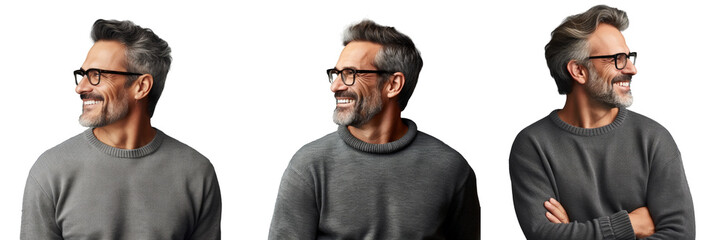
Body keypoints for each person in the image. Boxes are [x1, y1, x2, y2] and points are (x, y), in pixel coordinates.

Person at [269, 20, 480, 239]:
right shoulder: (308, 167)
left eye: (350, 73)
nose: (336, 86)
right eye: (336, 73)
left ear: (393, 85)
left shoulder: (451, 169)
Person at [20, 19, 221, 239]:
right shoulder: (50, 172)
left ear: (141, 86)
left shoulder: (196, 174)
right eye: (83, 74)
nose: (80, 87)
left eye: (96, 75)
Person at [509, 5, 695, 240]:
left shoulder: (654, 139)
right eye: (617, 59)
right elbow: (544, 235)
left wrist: (575, 231)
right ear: (578, 70)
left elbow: (680, 236)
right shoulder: (533, 145)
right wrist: (629, 224)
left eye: (628, 57)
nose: (632, 69)